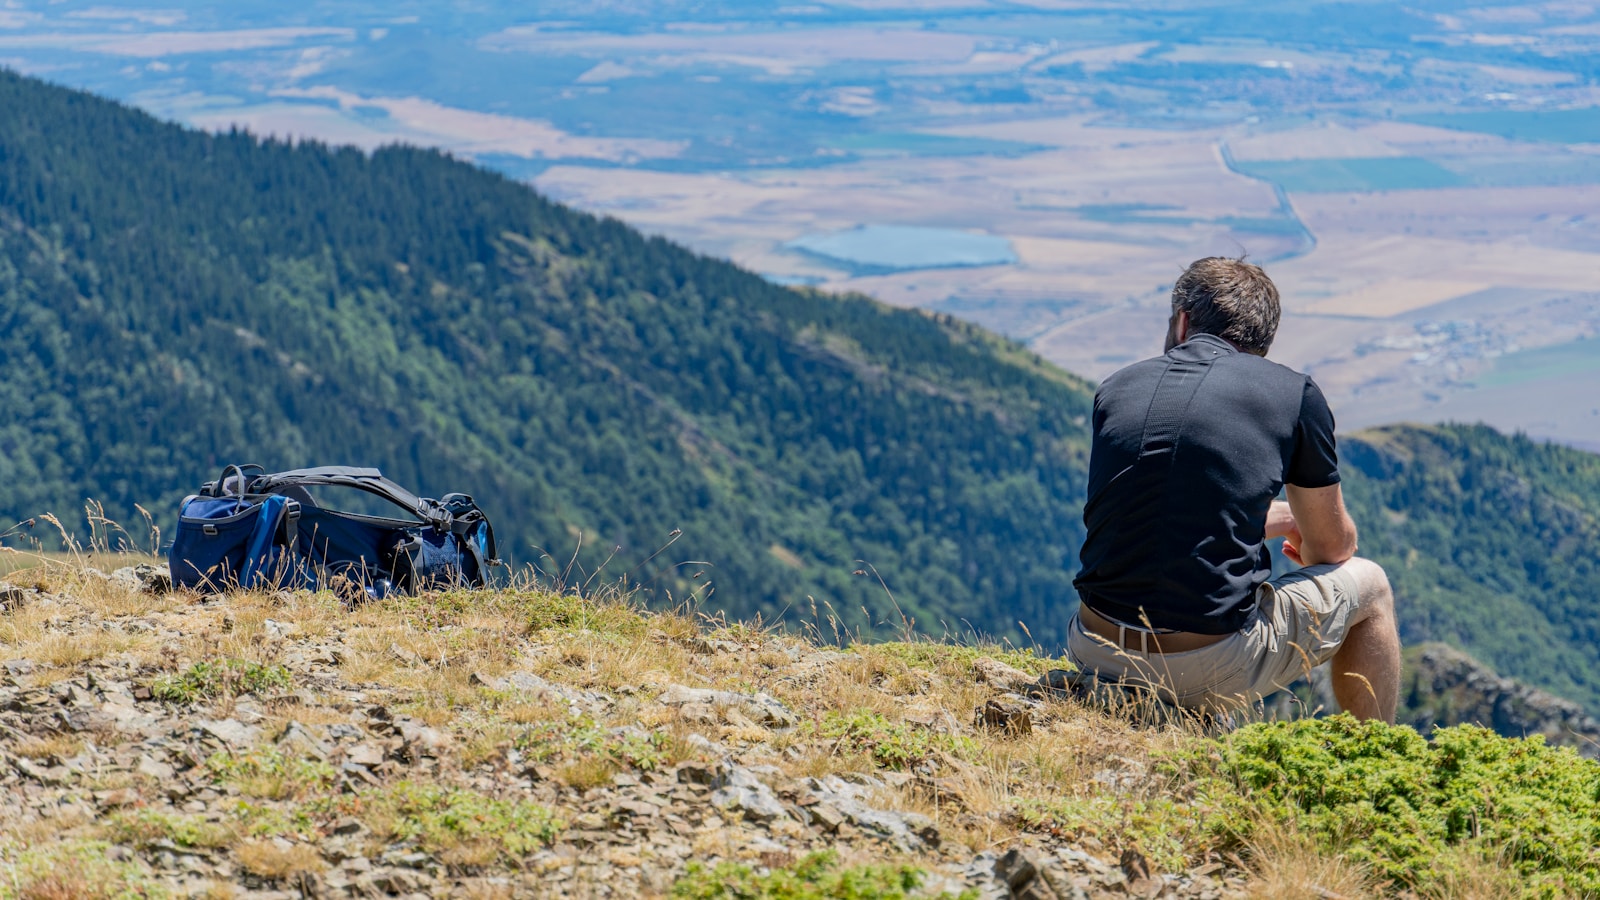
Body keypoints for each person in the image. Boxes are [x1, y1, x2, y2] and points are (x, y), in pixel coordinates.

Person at [1068, 257, 1400, 722]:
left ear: (1182, 322)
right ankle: (1378, 755)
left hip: (1093, 646)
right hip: (1207, 665)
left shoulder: (1116, 387)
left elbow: (1160, 511)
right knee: (1372, 586)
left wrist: (1281, 517)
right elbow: (1333, 546)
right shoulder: (1292, 395)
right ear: (1261, 342)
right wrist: (1306, 528)